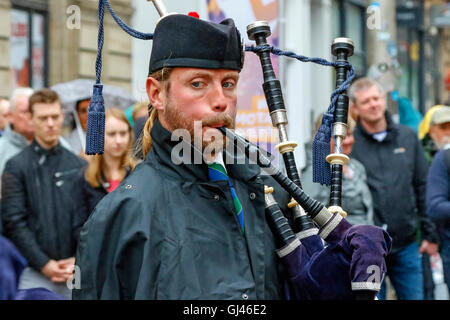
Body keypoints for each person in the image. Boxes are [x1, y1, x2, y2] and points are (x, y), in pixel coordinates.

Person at [72, 14, 297, 300]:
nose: (220, 100)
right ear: (157, 94)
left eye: (228, 83)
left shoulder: (265, 188)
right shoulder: (123, 214)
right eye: (198, 84)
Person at [349, 77, 439, 300]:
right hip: (367, 249)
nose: (373, 104)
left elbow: (422, 186)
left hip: (406, 244)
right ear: (355, 109)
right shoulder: (351, 144)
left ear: (384, 100)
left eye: (376, 98)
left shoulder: (407, 136)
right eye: (365, 101)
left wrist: (430, 235)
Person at [1, 88, 88, 299]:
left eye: (54, 117)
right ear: (31, 118)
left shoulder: (79, 165)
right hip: (33, 272)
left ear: (62, 116)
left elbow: (89, 219)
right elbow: (14, 221)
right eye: (43, 117)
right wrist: (43, 263)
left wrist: (78, 257)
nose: (50, 123)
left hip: (74, 271)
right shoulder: (16, 166)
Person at [302, 115, 374, 226]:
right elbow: (308, 218)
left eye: (349, 134)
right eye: (341, 136)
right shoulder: (317, 172)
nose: (348, 140)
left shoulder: (357, 167)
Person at [78, 108, 136, 214]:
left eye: (123, 133)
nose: (118, 141)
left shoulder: (138, 173)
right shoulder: (85, 177)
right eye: (112, 134)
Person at [426, 106, 450, 295]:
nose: (448, 132)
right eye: (444, 127)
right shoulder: (442, 158)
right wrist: (429, 237)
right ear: (432, 130)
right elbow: (434, 206)